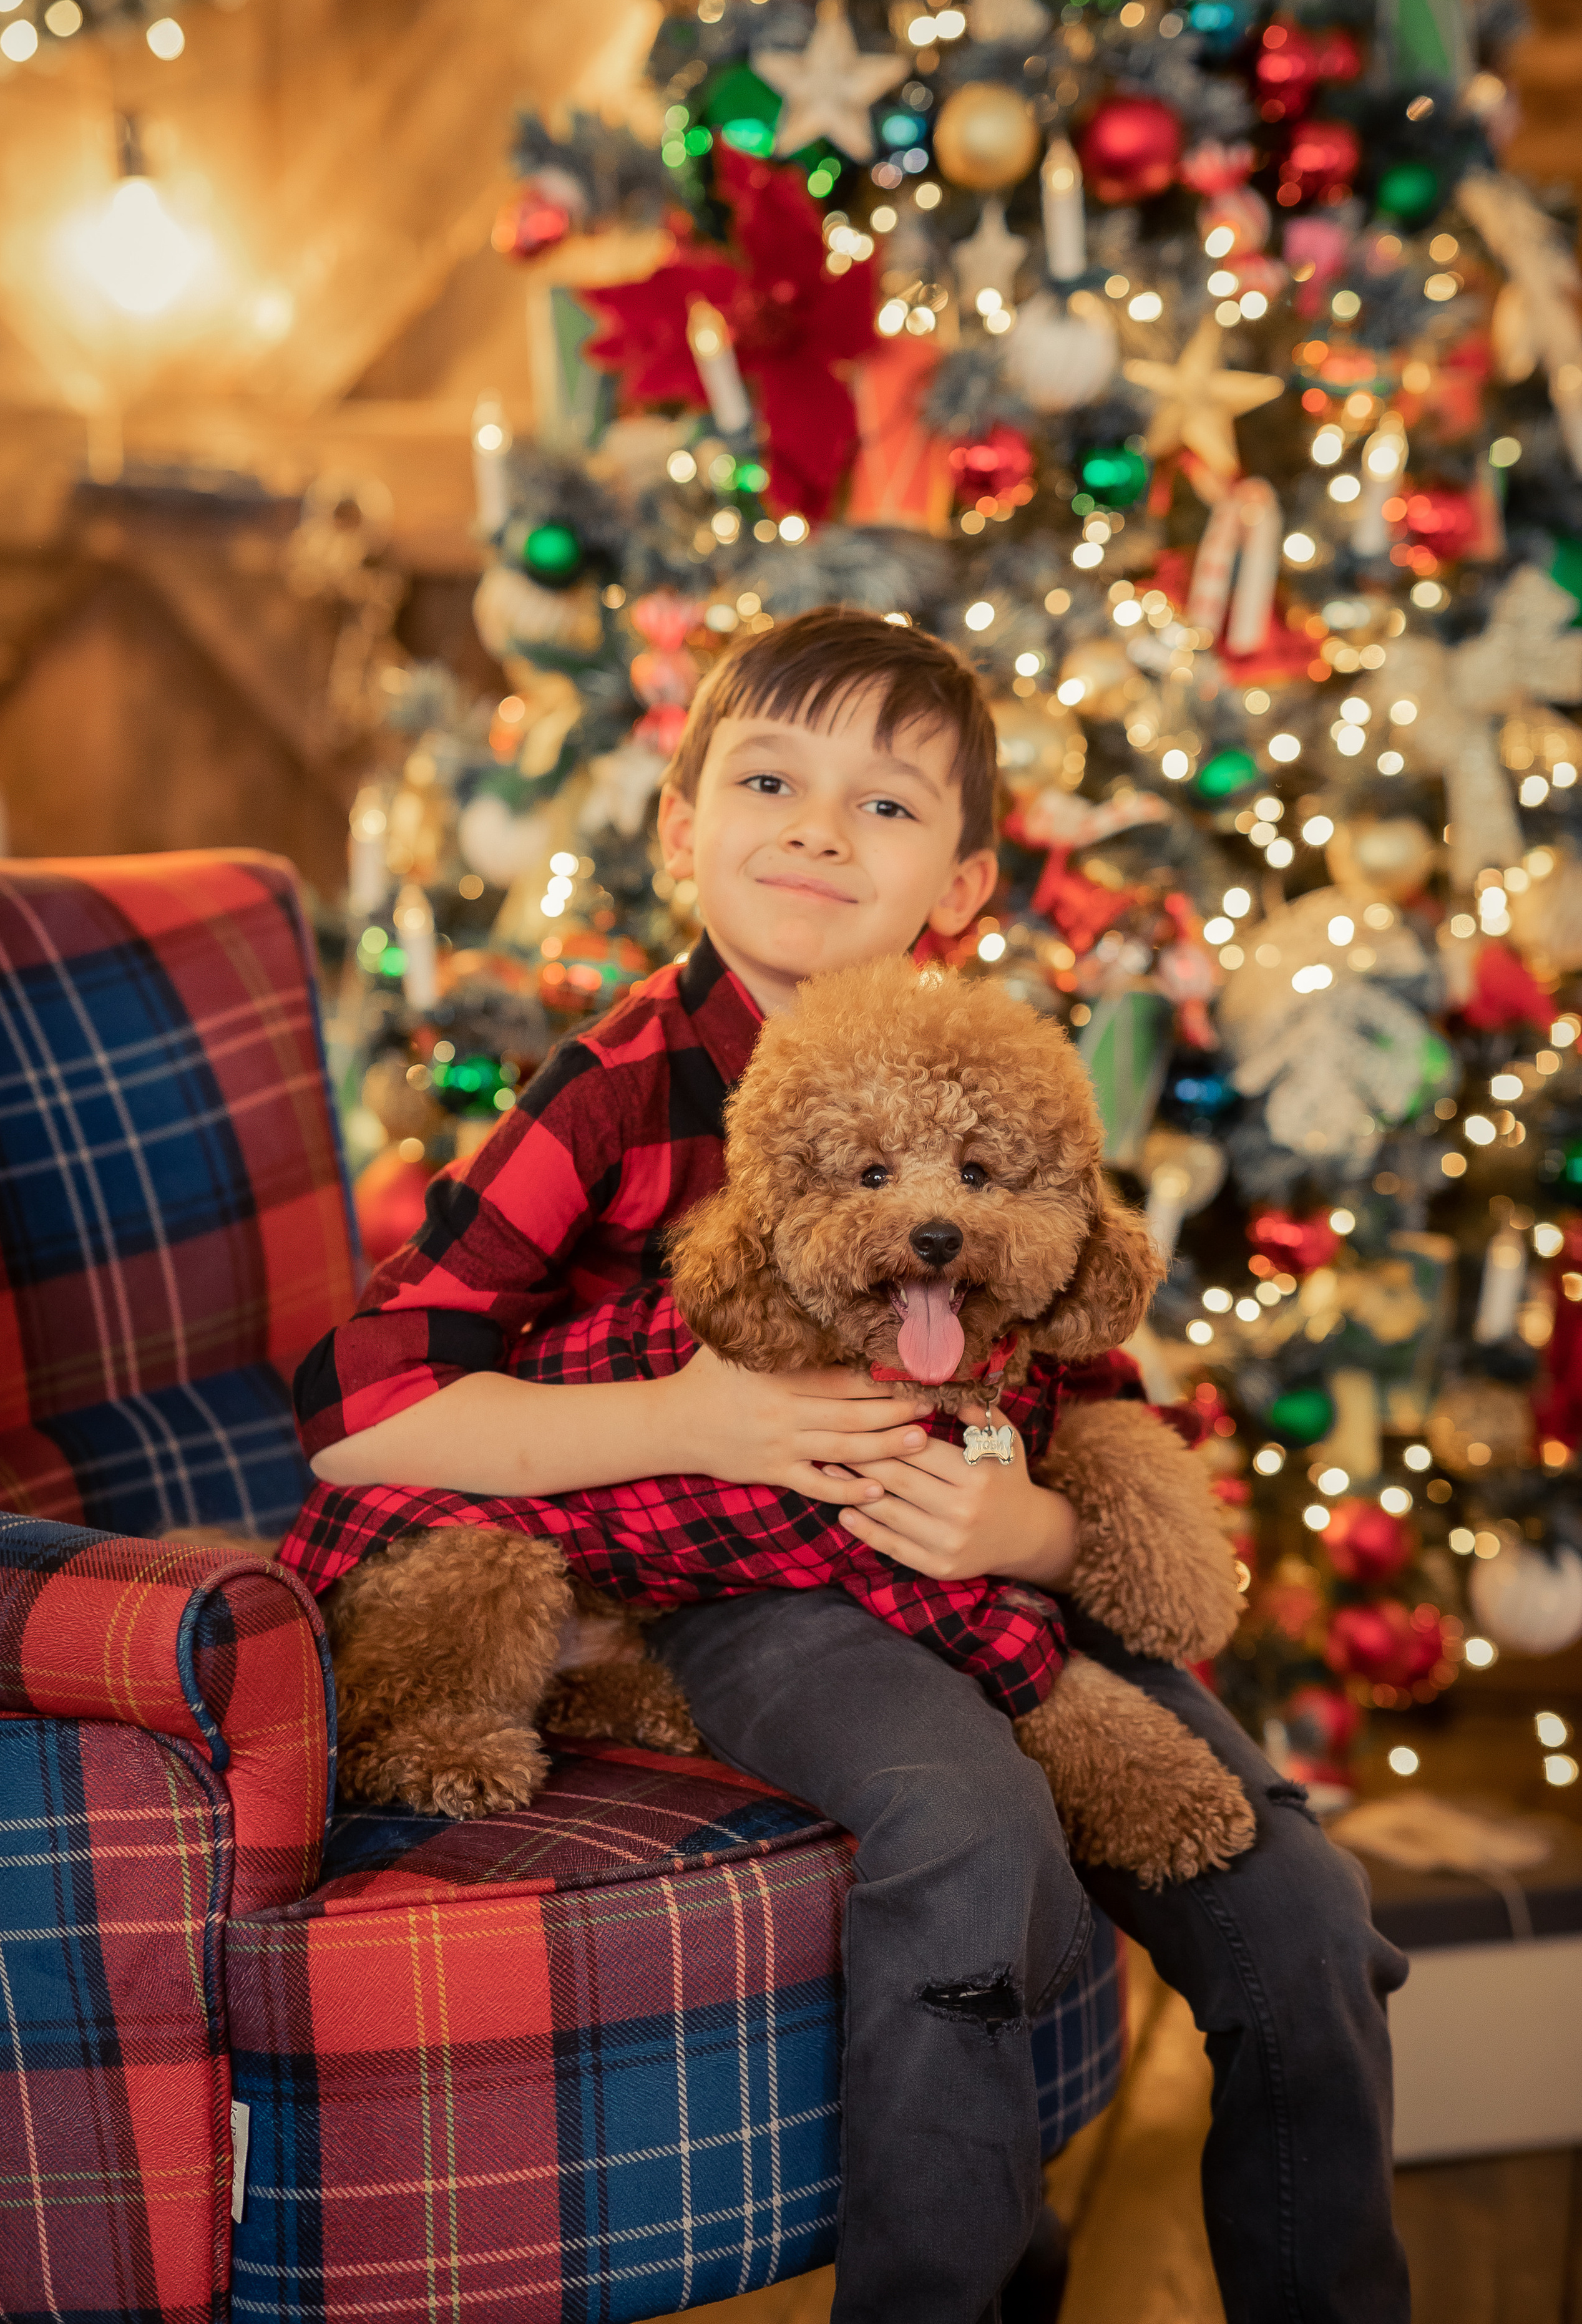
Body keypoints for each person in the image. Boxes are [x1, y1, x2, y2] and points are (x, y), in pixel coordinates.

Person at [289, 608, 1410, 2324]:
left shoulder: (999, 1077)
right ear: (682, 827)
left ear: (964, 882)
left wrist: (1030, 1530)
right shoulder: (615, 1086)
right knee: (968, 1840)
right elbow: (362, 1402)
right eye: (769, 779)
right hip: (742, 1584)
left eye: (884, 806)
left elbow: (1088, 1364)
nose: (818, 828)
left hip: (982, 1557)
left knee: (1307, 1921)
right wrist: (685, 1420)